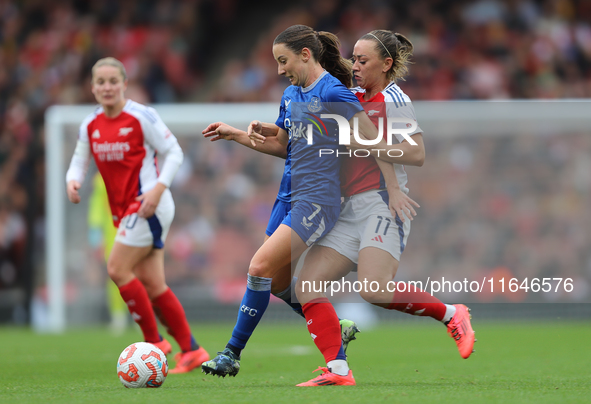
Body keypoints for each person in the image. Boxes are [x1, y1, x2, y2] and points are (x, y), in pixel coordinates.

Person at [200, 25, 411, 378]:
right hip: (286, 197)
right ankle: (335, 331)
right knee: (282, 285)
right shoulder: (291, 94)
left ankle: (231, 354)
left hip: (317, 201)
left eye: (283, 61)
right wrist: (236, 134)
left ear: (305, 54)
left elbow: (374, 142)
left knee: (257, 269)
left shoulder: (335, 93)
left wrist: (392, 188)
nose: (280, 69)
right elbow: (285, 146)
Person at [293, 30, 476, 387]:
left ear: (386, 64)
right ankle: (339, 371)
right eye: (353, 59)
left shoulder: (395, 99)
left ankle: (453, 314)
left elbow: (417, 154)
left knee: (373, 290)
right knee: (308, 284)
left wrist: (373, 149)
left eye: (362, 60)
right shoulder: (354, 96)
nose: (355, 66)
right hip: (347, 210)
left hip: (380, 204)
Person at [66, 57, 209, 374]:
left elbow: (174, 152)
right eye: (100, 82)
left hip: (149, 205)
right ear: (92, 87)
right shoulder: (89, 124)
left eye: (112, 81)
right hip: (125, 211)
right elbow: (79, 161)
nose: (107, 87)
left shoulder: (141, 116)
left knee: (116, 268)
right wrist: (72, 181)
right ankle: (192, 349)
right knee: (153, 283)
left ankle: (154, 343)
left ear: (124, 84)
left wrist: (157, 189)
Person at [87, 172, 128, 334]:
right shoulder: (101, 177)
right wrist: (95, 230)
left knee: (139, 275)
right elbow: (97, 204)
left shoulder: (135, 170)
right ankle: (118, 316)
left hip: (135, 230)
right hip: (111, 234)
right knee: (115, 277)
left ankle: (142, 317)